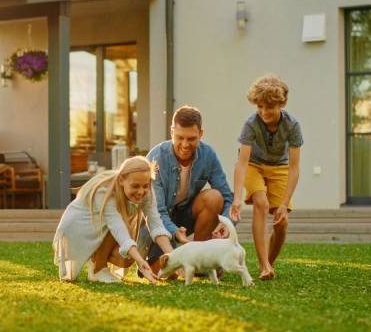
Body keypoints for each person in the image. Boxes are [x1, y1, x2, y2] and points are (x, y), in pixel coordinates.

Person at [53, 156, 174, 284]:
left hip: (102, 227)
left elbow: (156, 224)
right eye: (135, 186)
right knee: (124, 237)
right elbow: (117, 228)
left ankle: (96, 265)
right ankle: (98, 269)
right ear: (121, 180)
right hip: (78, 228)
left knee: (126, 259)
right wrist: (140, 260)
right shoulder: (106, 190)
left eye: (145, 186)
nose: (141, 191)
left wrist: (174, 257)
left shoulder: (146, 191)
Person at [144, 105, 234, 275]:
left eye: (191, 138)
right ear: (171, 132)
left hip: (186, 215)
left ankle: (199, 261)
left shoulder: (208, 155)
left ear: (201, 134)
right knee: (165, 273)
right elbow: (157, 211)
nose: (185, 145)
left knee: (215, 197)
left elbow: (227, 197)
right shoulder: (155, 158)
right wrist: (174, 232)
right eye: (180, 138)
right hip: (159, 220)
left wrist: (227, 223)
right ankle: (166, 262)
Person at [229, 75, 303, 281]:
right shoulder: (251, 124)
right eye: (259, 106)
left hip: (280, 167)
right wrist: (237, 198)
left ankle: (268, 264)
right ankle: (263, 264)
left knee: (281, 222)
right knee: (260, 202)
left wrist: (285, 202)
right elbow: (242, 163)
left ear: (282, 103)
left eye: (269, 107)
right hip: (254, 166)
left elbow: (294, 167)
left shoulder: (292, 125)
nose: (263, 112)